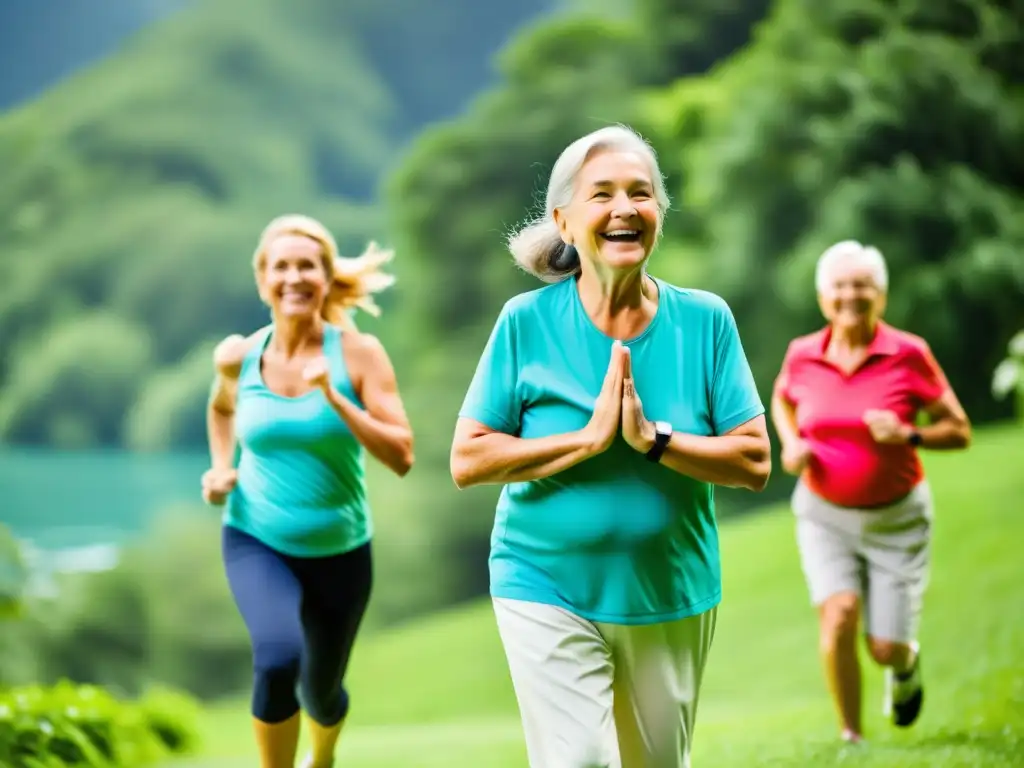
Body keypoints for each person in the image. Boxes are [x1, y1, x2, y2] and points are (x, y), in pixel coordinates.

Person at [450, 125, 771, 768]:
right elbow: (469, 459)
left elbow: (754, 461)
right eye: (603, 195)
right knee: (581, 761)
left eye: (641, 193)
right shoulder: (526, 322)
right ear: (565, 222)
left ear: (658, 215)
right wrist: (587, 441)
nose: (625, 208)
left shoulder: (705, 320)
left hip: (667, 588)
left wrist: (656, 442)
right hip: (542, 579)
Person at [200, 214, 414, 768]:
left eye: (306, 266)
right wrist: (220, 467)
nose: (294, 277)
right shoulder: (237, 357)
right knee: (276, 660)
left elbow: (401, 455)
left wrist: (337, 399)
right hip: (255, 537)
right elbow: (222, 409)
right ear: (262, 280)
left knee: (321, 691)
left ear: (325, 277)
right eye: (281, 266)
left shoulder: (360, 354)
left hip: (341, 550)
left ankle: (322, 757)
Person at [770, 240, 971, 744]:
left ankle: (905, 664)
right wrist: (792, 443)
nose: (850, 295)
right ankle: (851, 737)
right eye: (840, 286)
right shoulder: (802, 355)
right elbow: (782, 399)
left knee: (884, 647)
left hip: (896, 520)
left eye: (862, 285)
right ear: (823, 297)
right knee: (837, 618)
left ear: (880, 295)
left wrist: (908, 434)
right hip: (824, 515)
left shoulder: (908, 353)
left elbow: (960, 430)